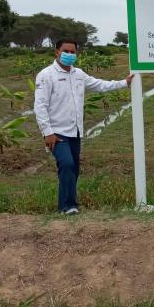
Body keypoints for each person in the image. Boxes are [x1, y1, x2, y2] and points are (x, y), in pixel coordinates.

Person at [33, 39, 134, 215]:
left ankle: (66, 205)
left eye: (73, 52)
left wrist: (123, 83)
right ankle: (68, 206)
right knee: (66, 164)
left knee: (74, 169)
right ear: (57, 52)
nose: (70, 55)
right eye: (66, 51)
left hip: (75, 130)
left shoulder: (78, 74)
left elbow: (99, 85)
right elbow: (40, 106)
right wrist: (47, 133)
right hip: (57, 132)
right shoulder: (46, 75)